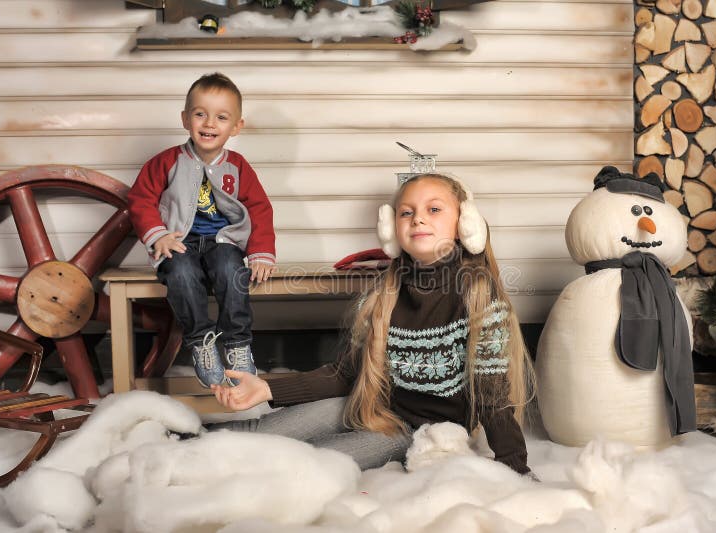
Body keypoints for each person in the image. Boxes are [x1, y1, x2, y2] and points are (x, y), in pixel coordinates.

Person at [209, 173, 535, 474]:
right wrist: (267, 387)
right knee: (257, 435)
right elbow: (348, 373)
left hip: (413, 433)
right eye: (406, 212)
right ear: (392, 229)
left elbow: (493, 395)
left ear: (465, 224)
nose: (418, 218)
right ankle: (172, 452)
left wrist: (514, 467)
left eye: (434, 209)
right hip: (367, 407)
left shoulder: (478, 297)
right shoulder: (385, 295)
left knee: (307, 464)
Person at [127, 72, 275, 388]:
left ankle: (237, 343)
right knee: (180, 274)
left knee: (230, 270)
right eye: (200, 114)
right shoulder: (166, 162)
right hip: (179, 241)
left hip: (224, 240)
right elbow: (141, 199)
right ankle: (202, 342)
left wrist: (261, 253)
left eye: (221, 117)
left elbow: (259, 208)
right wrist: (158, 234)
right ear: (185, 119)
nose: (209, 123)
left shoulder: (238, 166)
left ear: (236, 127)